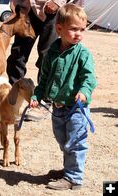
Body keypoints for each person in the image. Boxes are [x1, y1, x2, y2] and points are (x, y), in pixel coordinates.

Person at [30, 4, 97, 190]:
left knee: (75, 143)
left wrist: (84, 91)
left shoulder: (82, 54)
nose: (78, 34)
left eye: (82, 29)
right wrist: (37, 94)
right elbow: (44, 78)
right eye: (74, 29)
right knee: (63, 142)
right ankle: (69, 169)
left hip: (76, 109)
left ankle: (74, 178)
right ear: (59, 28)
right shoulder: (51, 51)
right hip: (57, 109)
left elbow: (89, 77)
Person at [7, 0, 67, 121]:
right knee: (18, 53)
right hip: (28, 7)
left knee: (48, 56)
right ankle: (16, 98)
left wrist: (58, 2)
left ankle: (44, 101)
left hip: (53, 11)